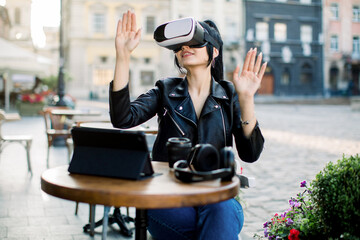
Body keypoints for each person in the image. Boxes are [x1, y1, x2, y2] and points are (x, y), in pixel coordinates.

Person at [109, 10, 266, 240]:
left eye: (194, 41)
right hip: (167, 198)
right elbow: (123, 118)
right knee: (215, 227)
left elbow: (250, 154)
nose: (185, 47)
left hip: (217, 198)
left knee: (219, 210)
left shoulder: (230, 94)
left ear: (214, 52)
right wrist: (123, 55)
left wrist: (247, 99)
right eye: (180, 44)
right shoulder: (165, 90)